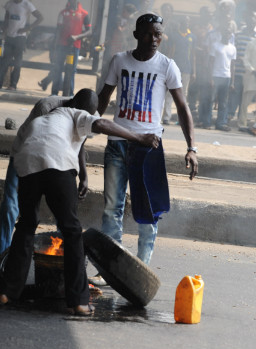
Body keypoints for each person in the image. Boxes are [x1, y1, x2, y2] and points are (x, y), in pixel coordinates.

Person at [0, 89, 160, 315]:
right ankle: (79, 301)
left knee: (26, 225)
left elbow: (61, 143)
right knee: (71, 231)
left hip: (27, 163)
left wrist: (83, 174)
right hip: (57, 165)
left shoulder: (47, 117)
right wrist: (140, 137)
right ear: (83, 109)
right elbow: (102, 125)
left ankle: (7, 293)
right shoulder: (76, 113)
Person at [94, 13, 199, 285]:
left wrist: (192, 147)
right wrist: (86, 126)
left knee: (147, 211)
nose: (154, 39)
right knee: (111, 209)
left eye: (158, 34)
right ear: (137, 35)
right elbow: (104, 96)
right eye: (149, 33)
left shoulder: (167, 66)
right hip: (118, 143)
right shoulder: (119, 60)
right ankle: (110, 267)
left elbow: (182, 107)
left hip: (149, 148)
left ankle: (140, 269)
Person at [0, 93, 91, 284]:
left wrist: (84, 176)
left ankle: (70, 278)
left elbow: (80, 143)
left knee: (67, 218)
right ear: (72, 106)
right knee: (10, 209)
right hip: (25, 155)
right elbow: (35, 143)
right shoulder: (47, 107)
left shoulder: (85, 113)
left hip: (59, 161)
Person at [49, 0, 92, 96]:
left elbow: (89, 32)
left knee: (72, 70)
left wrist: (76, 37)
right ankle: (54, 93)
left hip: (74, 47)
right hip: (61, 46)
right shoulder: (63, 13)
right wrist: (55, 47)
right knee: (58, 68)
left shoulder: (84, 14)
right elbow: (58, 30)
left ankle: (70, 94)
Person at [0, 0, 44, 90]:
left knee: (17, 63)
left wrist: (28, 28)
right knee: (4, 62)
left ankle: (13, 85)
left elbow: (40, 17)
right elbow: (6, 18)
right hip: (9, 36)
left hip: (20, 38)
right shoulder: (9, 4)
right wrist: (3, 30)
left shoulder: (27, 4)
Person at [201, 23, 237, 131]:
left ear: (231, 35)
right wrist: (210, 78)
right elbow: (210, 63)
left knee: (223, 102)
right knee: (210, 100)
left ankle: (221, 123)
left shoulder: (233, 48)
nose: (227, 34)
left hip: (226, 77)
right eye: (225, 32)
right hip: (216, 76)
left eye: (229, 32)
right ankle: (207, 122)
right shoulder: (215, 45)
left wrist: (232, 82)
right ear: (222, 33)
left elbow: (233, 66)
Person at [226, 10, 256, 126]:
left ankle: (241, 121)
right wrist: (239, 58)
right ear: (246, 22)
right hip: (239, 72)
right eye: (249, 21)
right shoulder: (238, 35)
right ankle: (228, 119)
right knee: (235, 96)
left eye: (253, 22)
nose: (251, 24)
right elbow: (233, 51)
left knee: (245, 100)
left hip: (250, 74)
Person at [162, 16, 195, 126]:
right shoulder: (174, 35)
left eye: (188, 21)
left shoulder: (192, 36)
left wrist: (193, 71)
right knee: (170, 92)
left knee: (183, 94)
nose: (187, 23)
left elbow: (193, 55)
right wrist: (167, 66)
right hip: (174, 67)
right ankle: (166, 117)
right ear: (181, 23)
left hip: (186, 68)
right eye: (185, 21)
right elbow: (170, 51)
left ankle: (182, 118)